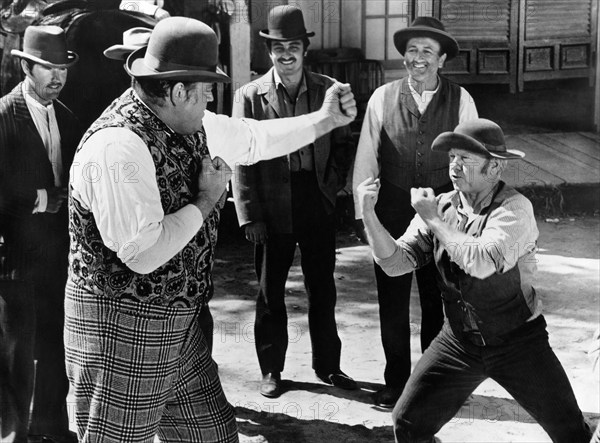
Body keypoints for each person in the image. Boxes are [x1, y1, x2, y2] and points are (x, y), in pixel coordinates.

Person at [65, 16, 356, 442]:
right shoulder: (118, 146)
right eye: (205, 94)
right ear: (178, 91)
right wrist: (206, 200)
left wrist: (325, 121)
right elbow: (142, 253)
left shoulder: (191, 121)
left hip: (179, 322)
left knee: (212, 434)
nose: (209, 104)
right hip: (119, 327)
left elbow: (257, 139)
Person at [356, 118, 593, 443]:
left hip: (518, 342)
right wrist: (368, 214)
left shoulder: (513, 210)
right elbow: (395, 263)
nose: (455, 166)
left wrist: (435, 221)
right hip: (458, 343)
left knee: (570, 433)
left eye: (466, 159)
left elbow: (481, 263)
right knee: (408, 422)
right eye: (453, 157)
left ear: (495, 167)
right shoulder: (441, 206)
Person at [230, 5, 357, 399]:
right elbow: (241, 156)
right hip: (272, 204)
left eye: (294, 47)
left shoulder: (328, 90)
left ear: (305, 49)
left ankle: (329, 366)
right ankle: (272, 369)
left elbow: (342, 143)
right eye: (278, 47)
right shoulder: (249, 96)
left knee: (323, 288)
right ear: (268, 52)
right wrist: (249, 213)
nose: (286, 55)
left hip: (315, 198)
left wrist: (331, 186)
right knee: (271, 292)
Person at [352, 16, 478, 408]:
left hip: (442, 210)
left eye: (427, 51)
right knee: (391, 299)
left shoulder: (462, 100)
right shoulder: (381, 98)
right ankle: (397, 383)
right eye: (411, 50)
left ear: (441, 60)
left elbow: (472, 158)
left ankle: (432, 385)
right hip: (390, 205)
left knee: (438, 299)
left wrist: (467, 215)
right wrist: (364, 212)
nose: (417, 58)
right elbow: (366, 158)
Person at [0, 25, 81, 443]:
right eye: (47, 68)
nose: (57, 77)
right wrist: (42, 198)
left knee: (55, 347)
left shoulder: (65, 117)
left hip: (58, 257)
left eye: (62, 68)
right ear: (27, 67)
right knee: (16, 354)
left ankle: (52, 428)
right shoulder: (2, 115)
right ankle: (14, 435)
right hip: (15, 258)